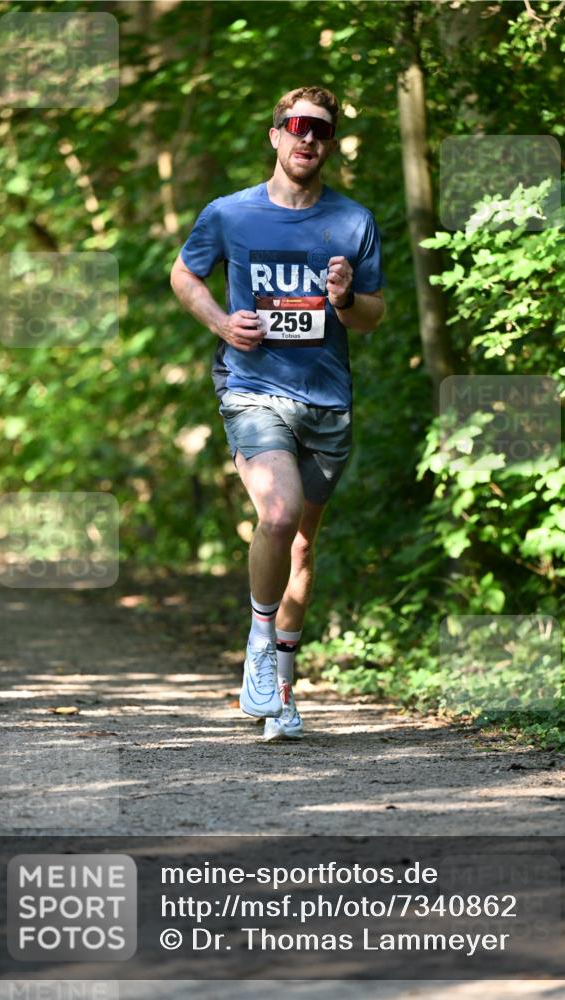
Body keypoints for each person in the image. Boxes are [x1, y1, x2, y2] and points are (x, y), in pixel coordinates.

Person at [170, 85, 385, 742]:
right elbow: (185, 275)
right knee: (277, 513)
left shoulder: (352, 222)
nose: (306, 138)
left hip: (326, 401)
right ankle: (259, 644)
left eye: (319, 130)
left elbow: (372, 318)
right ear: (275, 135)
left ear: (329, 145)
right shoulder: (230, 215)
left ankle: (281, 697)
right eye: (295, 126)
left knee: (299, 546)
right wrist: (220, 321)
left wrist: (346, 300)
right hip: (253, 389)